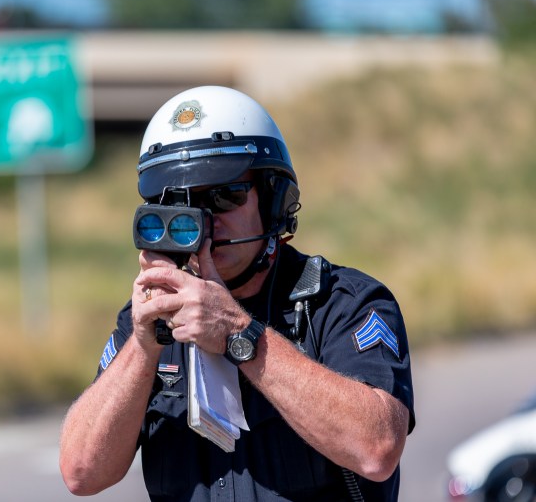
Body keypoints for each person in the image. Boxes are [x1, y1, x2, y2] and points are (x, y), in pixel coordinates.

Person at [59, 86, 415, 501]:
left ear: (274, 200)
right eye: (179, 204)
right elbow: (81, 473)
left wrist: (239, 334)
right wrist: (142, 347)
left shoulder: (341, 303)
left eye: (225, 196)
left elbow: (377, 449)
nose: (206, 223)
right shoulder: (150, 318)